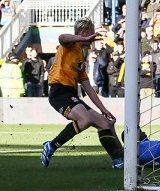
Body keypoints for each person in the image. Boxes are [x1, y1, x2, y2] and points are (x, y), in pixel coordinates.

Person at [41, 18, 124, 169]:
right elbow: (62, 38)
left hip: (72, 94)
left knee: (105, 123)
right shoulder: (69, 45)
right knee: (84, 119)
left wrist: (103, 110)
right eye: (91, 34)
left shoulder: (81, 54)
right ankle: (51, 146)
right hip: (59, 92)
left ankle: (118, 160)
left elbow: (87, 86)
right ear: (85, 32)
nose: (92, 38)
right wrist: (85, 38)